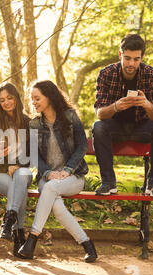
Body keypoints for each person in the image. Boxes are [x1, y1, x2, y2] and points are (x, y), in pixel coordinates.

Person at [18, 80, 97, 263]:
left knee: (51, 188)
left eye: (37, 98)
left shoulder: (69, 117)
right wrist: (48, 173)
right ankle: (87, 244)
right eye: (32, 100)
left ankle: (32, 239)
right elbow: (35, 156)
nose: (34, 103)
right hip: (48, 178)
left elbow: (82, 146)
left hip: (73, 177)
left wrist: (68, 170)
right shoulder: (34, 125)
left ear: (49, 97)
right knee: (57, 205)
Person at [92, 34, 153, 197]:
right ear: (120, 54)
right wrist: (115, 106)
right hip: (115, 128)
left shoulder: (152, 74)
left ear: (141, 57)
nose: (131, 63)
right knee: (98, 127)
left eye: (136, 59)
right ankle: (108, 183)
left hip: (142, 128)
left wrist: (147, 104)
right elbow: (100, 113)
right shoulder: (106, 74)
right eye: (127, 58)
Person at [0, 82, 32, 258]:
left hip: (22, 171)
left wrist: (18, 164)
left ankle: (8, 223)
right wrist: (0, 156)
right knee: (18, 188)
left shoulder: (28, 122)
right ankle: (18, 234)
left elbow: (33, 155)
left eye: (10, 98)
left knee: (20, 177)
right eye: (2, 100)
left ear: (16, 99)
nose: (6, 102)